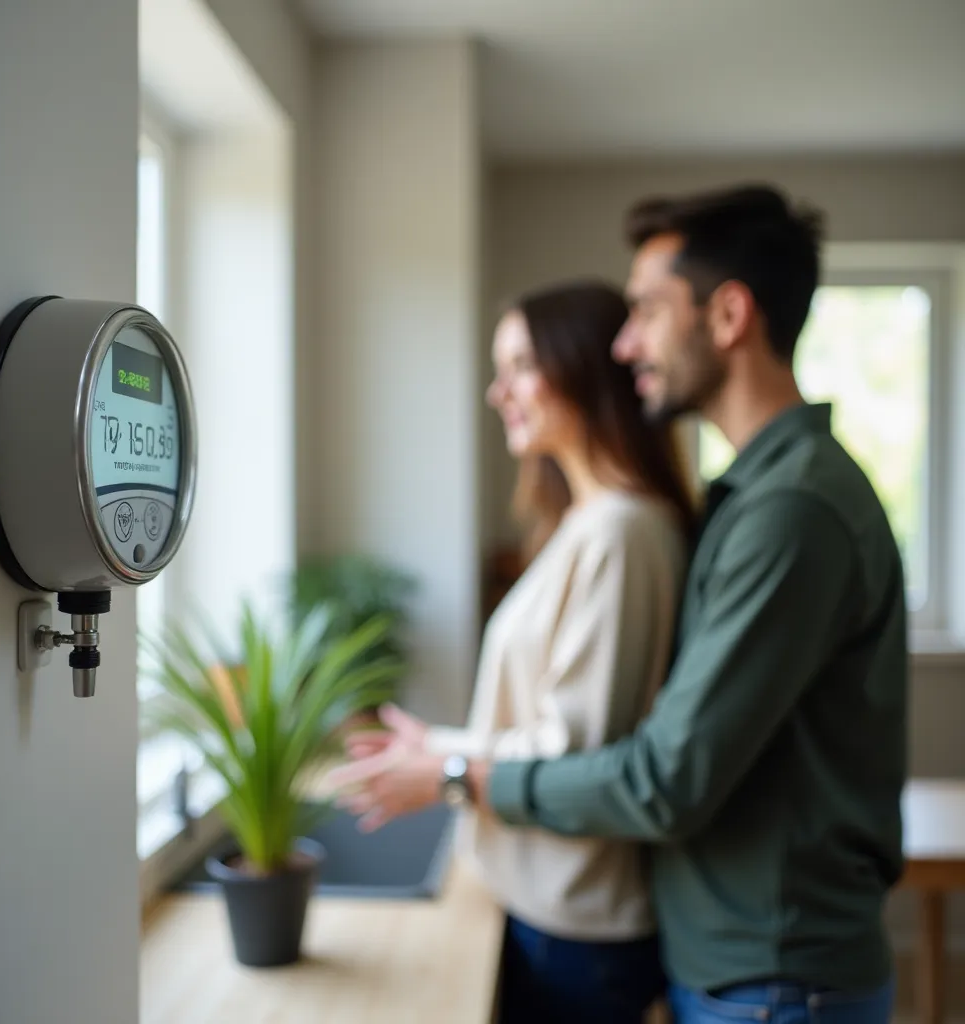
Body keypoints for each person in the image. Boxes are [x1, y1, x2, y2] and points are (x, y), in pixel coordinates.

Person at [329, 185, 908, 1024]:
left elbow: (663, 778)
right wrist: (452, 752)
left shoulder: (791, 511)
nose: (626, 343)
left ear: (729, 314)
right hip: (742, 965)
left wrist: (455, 770)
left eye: (645, 312)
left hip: (774, 979)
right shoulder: (749, 499)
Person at [339, 280, 695, 1024]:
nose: (499, 392)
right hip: (547, 907)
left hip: (578, 924)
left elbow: (579, 757)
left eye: (522, 365)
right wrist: (436, 743)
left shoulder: (621, 533)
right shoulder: (588, 522)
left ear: (586, 370)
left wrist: (444, 770)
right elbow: (553, 724)